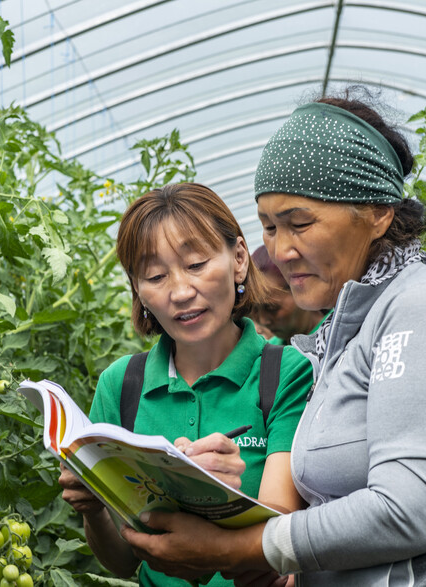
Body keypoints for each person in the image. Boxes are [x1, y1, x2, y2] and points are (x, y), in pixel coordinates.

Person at [119, 92, 426, 585]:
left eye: (300, 223)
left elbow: (409, 510)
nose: (281, 250)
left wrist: (240, 550)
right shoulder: (343, 335)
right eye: (269, 227)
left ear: (378, 212)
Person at [58, 183, 314, 587]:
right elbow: (123, 562)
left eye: (196, 264)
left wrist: (211, 495)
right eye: (156, 276)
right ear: (138, 291)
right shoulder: (120, 385)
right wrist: (93, 508)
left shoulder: (286, 373)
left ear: (239, 260)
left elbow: (280, 532)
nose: (180, 292)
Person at [251, 245, 324, 345]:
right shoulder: (268, 352)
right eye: (254, 309)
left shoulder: (339, 339)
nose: (263, 321)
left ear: (305, 290)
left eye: (272, 308)